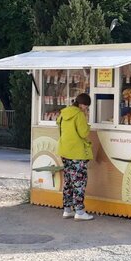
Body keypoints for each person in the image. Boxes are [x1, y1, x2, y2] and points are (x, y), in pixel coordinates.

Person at [57, 93, 95, 221]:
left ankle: (67, 209)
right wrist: (88, 125)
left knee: (68, 181)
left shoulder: (63, 113)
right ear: (81, 104)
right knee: (79, 182)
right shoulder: (79, 115)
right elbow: (84, 133)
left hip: (64, 151)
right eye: (86, 106)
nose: (86, 108)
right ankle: (79, 211)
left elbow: (59, 125)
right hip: (77, 153)